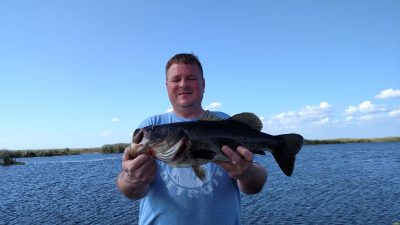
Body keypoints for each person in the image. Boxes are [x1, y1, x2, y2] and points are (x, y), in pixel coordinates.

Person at [117, 53, 267, 225]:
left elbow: (254, 186)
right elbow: (132, 192)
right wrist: (131, 179)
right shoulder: (151, 124)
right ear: (167, 86)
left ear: (203, 84)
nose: (183, 84)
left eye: (191, 78)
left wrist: (246, 173)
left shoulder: (226, 122)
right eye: (176, 79)